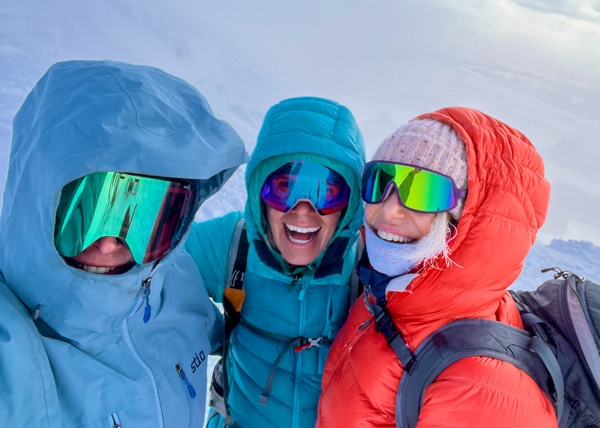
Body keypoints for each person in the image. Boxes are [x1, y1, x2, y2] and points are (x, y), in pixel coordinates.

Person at [0, 60, 249, 427]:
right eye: (84, 211)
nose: (108, 244)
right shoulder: (13, 357)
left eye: (141, 218)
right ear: (37, 200)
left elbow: (227, 334)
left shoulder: (175, 281)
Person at [316, 107, 558, 427]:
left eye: (422, 191)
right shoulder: (390, 294)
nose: (389, 211)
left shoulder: (478, 390)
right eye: (381, 181)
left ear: (466, 222)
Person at [183, 97, 366, 428]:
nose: (302, 210)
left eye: (327, 192)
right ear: (259, 195)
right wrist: (203, 329)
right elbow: (148, 266)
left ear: (348, 205)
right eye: (284, 188)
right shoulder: (233, 243)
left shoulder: (369, 265)